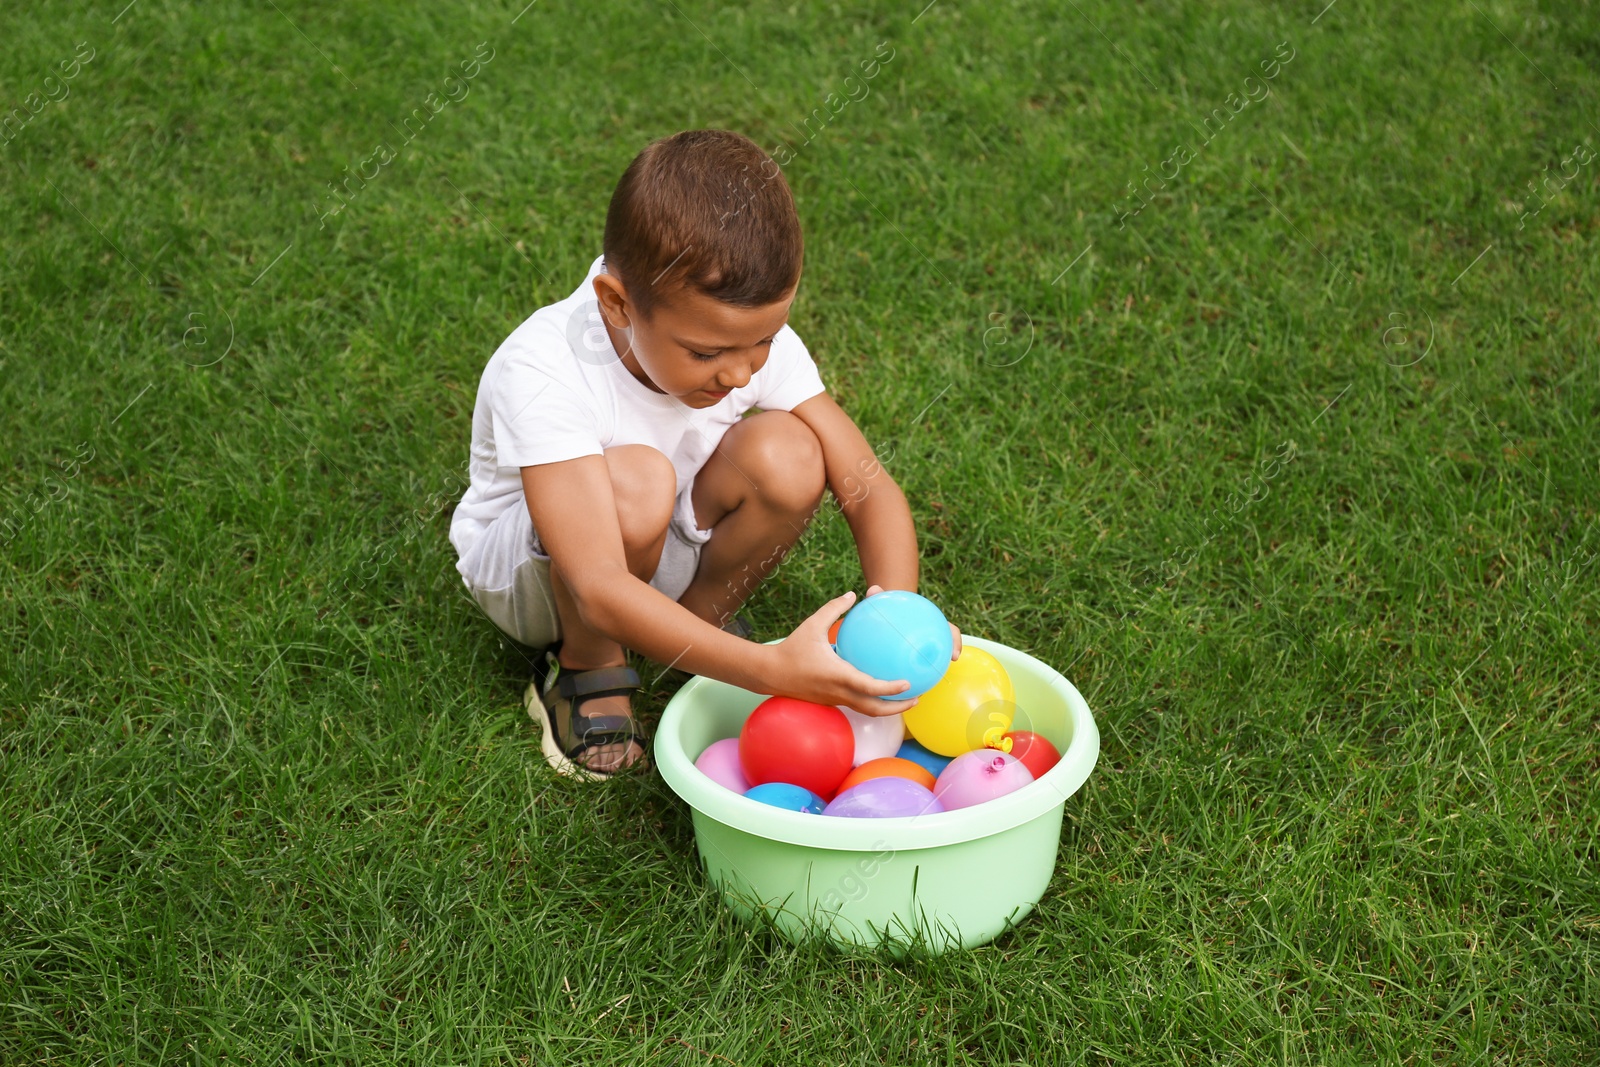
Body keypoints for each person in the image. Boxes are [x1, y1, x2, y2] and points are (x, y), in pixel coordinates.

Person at [449, 129, 959, 779]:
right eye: (707, 354)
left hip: (650, 541)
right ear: (617, 303)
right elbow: (598, 582)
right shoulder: (546, 366)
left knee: (794, 452)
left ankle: (698, 627)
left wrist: (900, 623)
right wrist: (774, 671)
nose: (741, 373)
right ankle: (588, 666)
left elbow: (867, 485)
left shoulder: (728, 332)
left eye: (765, 341)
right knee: (638, 478)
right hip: (546, 575)